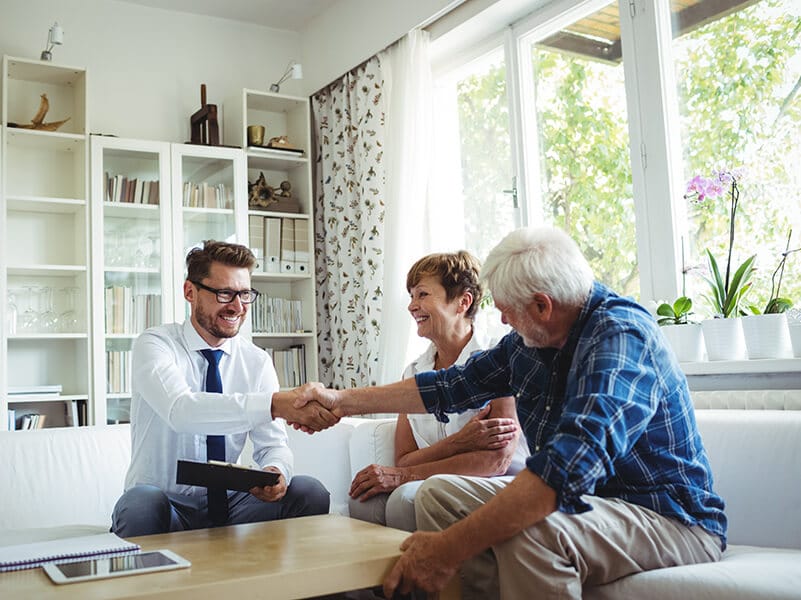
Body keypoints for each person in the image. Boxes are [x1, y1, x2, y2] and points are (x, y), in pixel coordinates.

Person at [297, 226, 726, 599]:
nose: (500, 317)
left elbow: (562, 475)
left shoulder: (620, 339)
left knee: (536, 529)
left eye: (507, 308)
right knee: (441, 495)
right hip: (592, 506)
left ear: (543, 305)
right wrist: (342, 400)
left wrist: (445, 550)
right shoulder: (532, 340)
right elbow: (451, 386)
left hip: (668, 518)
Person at [112, 240, 337, 537]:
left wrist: (276, 471)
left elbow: (273, 445)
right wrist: (275, 404)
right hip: (166, 503)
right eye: (224, 293)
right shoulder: (156, 345)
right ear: (190, 292)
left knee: (309, 491)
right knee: (140, 502)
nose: (237, 306)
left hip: (232, 504)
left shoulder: (256, 361)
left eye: (245, 294)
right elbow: (182, 411)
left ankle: (277, 582)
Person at [348, 251, 527, 532]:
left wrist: (404, 476)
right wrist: (458, 443)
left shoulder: (497, 359)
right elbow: (404, 458)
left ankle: (427, 574)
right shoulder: (414, 373)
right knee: (363, 501)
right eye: (411, 296)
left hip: (494, 479)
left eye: (422, 294)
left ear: (462, 302)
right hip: (434, 477)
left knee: (404, 499)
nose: (411, 306)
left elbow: (496, 460)